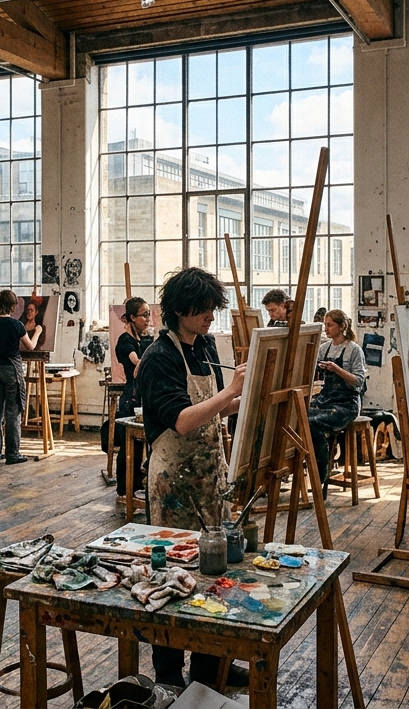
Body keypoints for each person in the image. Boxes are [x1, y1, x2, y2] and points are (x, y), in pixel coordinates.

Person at [138, 267, 247, 689]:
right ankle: (169, 674)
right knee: (172, 580)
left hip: (209, 476)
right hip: (174, 484)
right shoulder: (159, 357)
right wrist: (229, 391)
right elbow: (183, 420)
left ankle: (210, 667)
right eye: (203, 310)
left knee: (212, 575)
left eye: (212, 309)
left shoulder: (202, 347)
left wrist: (253, 396)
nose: (210, 317)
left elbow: (217, 409)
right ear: (181, 310)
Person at [307, 309, 367, 493]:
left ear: (342, 326)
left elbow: (358, 382)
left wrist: (336, 369)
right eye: (325, 325)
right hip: (327, 399)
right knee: (299, 415)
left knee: (312, 423)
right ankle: (313, 466)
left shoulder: (353, 350)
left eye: (330, 325)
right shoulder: (325, 348)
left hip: (346, 404)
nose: (326, 329)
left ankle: (321, 473)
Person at [0, 290, 39, 464]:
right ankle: (12, 454)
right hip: (12, 369)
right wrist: (38, 332)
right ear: (12, 306)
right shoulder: (16, 325)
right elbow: (30, 347)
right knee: (13, 411)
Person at [114, 296, 155, 496]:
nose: (148, 318)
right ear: (132, 317)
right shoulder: (125, 340)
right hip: (132, 396)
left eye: (149, 314)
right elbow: (137, 365)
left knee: (144, 444)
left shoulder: (145, 338)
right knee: (130, 446)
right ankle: (125, 488)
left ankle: (138, 484)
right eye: (144, 315)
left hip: (144, 393)